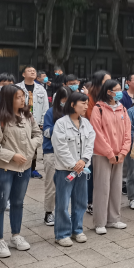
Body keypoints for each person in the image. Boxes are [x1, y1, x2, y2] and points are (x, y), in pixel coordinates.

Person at [0, 84, 42, 258]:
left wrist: (31, 148)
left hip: (24, 167)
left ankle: (16, 235)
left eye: (23, 96)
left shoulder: (27, 115)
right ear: (8, 99)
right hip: (5, 168)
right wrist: (12, 155)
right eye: (18, 97)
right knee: (0, 204)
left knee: (18, 202)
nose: (22, 100)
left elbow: (38, 134)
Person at [51, 92, 95, 247]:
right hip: (65, 170)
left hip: (82, 169)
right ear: (72, 104)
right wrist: (73, 164)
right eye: (83, 103)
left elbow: (90, 143)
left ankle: (77, 230)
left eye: (87, 103)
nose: (86, 106)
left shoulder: (86, 123)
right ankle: (62, 234)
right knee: (62, 203)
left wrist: (83, 161)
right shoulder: (61, 123)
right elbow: (60, 147)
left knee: (81, 201)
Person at [89, 79, 131, 234]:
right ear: (108, 92)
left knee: (116, 187)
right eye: (117, 89)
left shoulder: (123, 109)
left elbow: (127, 132)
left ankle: (114, 219)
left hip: (119, 155)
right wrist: (109, 153)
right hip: (102, 155)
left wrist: (123, 152)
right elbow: (97, 133)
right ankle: (100, 222)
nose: (120, 92)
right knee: (102, 188)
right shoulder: (98, 109)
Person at [41, 86, 72, 226]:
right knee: (51, 184)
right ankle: (48, 212)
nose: (65, 102)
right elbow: (46, 132)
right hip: (52, 152)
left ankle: (62, 211)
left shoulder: (73, 113)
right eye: (63, 100)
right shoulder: (51, 112)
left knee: (66, 185)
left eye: (67, 100)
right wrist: (61, 124)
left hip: (68, 153)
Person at [84, 70, 111, 215]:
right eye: (106, 81)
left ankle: (102, 201)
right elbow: (90, 120)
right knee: (92, 173)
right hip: (92, 141)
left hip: (107, 141)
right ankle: (90, 202)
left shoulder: (109, 98)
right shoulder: (89, 98)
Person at [17, 66, 49, 179]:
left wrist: (43, 122)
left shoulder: (41, 89)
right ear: (23, 74)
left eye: (34, 71)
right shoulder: (17, 87)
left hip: (36, 122)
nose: (32, 72)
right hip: (21, 121)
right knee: (20, 144)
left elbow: (45, 106)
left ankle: (32, 169)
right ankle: (21, 167)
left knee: (34, 146)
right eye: (29, 71)